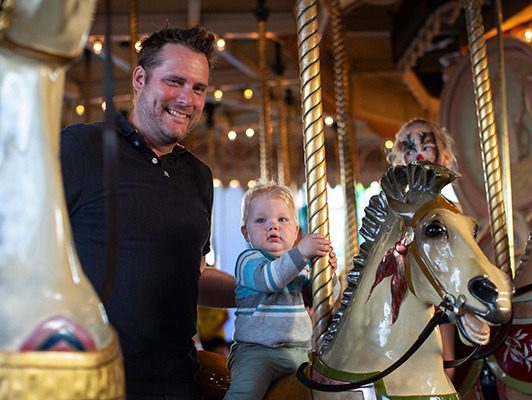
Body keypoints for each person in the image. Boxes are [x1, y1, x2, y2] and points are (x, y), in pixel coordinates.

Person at [60, 26, 235, 399]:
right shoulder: (84, 148)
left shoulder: (198, 176)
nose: (187, 99)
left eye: (199, 88)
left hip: (176, 381)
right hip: (95, 380)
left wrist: (266, 288)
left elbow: (195, 276)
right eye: (175, 82)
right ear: (140, 78)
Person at [224, 182, 339, 400]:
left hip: (300, 352)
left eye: (282, 219)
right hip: (257, 352)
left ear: (295, 231)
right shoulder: (249, 261)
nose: (273, 226)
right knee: (244, 395)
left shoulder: (301, 265)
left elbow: (320, 298)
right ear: (245, 232)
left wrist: (327, 274)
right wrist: (301, 253)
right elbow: (270, 280)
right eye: (261, 220)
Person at [386, 117, 458, 380]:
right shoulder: (396, 209)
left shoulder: (450, 210)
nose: (417, 153)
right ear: (399, 162)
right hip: (405, 291)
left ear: (445, 156)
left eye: (426, 147)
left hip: (442, 294)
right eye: (409, 149)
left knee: (446, 364)